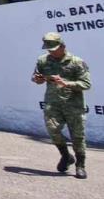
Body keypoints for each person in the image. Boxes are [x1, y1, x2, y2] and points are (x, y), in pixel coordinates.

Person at [32, 32, 91, 179]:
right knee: (53, 132)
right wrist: (37, 79)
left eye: (54, 49)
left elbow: (86, 84)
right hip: (53, 104)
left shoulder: (77, 62)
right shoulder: (42, 61)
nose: (51, 52)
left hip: (74, 105)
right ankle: (66, 156)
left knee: (77, 136)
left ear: (63, 46)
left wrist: (66, 83)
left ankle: (80, 165)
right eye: (49, 49)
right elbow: (36, 77)